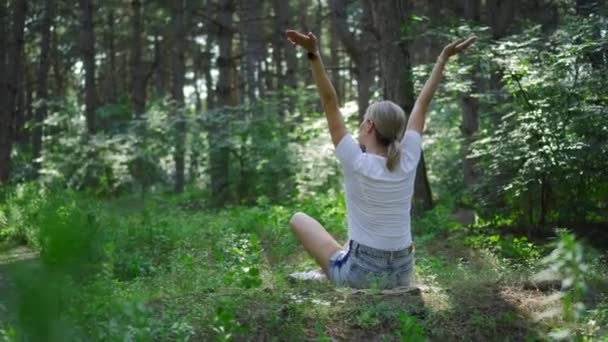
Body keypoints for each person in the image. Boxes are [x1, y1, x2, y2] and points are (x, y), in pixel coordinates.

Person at [286, 29, 476, 289]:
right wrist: (442, 59)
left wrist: (314, 54)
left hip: (362, 275)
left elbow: (330, 102)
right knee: (352, 241)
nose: (360, 124)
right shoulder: (407, 159)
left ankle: (328, 274)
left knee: (298, 219)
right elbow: (422, 104)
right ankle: (326, 272)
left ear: (370, 127)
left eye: (363, 119)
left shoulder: (356, 162)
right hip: (402, 273)